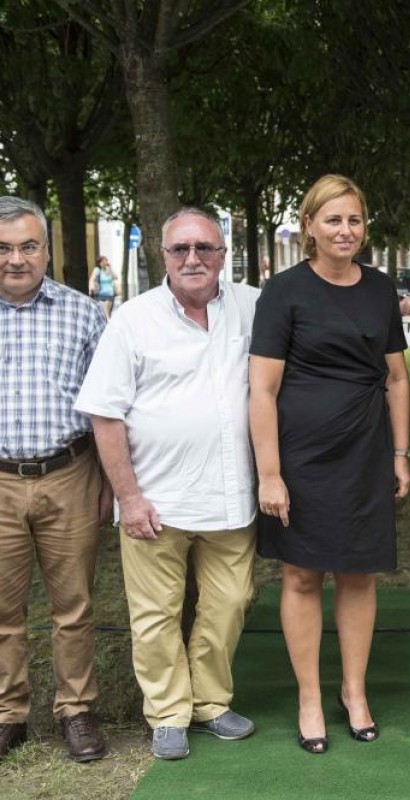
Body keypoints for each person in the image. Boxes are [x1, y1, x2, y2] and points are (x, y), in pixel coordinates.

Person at [75, 208, 259, 761]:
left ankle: (209, 701)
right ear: (163, 256)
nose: (193, 258)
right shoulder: (133, 320)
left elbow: (316, 316)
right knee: (155, 615)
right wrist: (128, 497)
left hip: (231, 498)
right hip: (156, 500)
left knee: (230, 604)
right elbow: (105, 415)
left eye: (205, 248)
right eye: (180, 249)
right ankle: (168, 713)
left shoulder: (252, 306)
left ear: (223, 256)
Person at [249, 174, 410, 755]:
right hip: (301, 457)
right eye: (334, 220)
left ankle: (355, 692)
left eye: (355, 220)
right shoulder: (283, 292)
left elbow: (396, 378)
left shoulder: (380, 288)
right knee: (301, 575)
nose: (346, 230)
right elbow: (261, 391)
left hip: (365, 451)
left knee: (359, 573)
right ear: (309, 226)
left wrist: (399, 453)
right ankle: (310, 697)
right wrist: (270, 473)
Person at [0, 197, 111, 764]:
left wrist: (111, 482)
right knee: (2, 608)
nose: (15, 259)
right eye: (3, 248)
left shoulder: (84, 313)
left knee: (73, 603)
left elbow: (109, 407)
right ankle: (8, 712)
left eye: (27, 246)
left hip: (70, 472)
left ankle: (75, 709)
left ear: (47, 250)